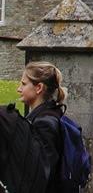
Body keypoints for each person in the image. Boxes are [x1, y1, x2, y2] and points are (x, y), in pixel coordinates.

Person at [17, 61, 67, 193]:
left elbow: (43, 173)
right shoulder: (51, 112)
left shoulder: (43, 124)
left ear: (39, 88)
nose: (19, 89)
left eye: (23, 84)